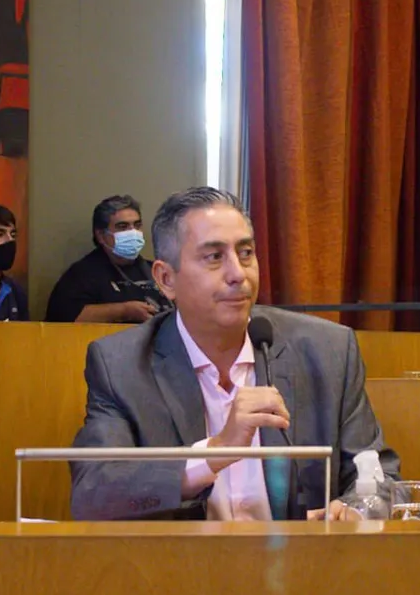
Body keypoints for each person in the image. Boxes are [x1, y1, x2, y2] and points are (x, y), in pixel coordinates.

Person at [69, 187, 399, 521]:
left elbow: (381, 478)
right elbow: (93, 493)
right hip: (184, 556)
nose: (238, 274)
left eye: (246, 253)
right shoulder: (121, 366)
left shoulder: (327, 351)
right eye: (214, 257)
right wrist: (215, 451)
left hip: (300, 554)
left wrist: (356, 511)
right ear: (166, 279)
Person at [44, 195, 172, 323]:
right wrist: (124, 311)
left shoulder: (154, 270)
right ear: (101, 235)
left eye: (137, 225)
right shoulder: (82, 275)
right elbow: (66, 318)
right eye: (122, 226)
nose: (133, 232)